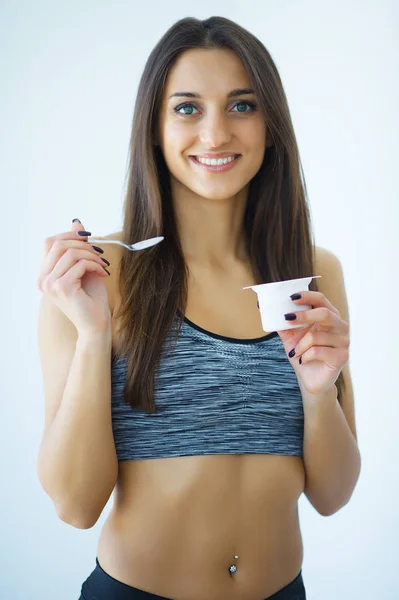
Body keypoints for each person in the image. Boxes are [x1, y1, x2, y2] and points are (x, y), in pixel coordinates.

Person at [36, 15, 361, 600]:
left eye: (242, 106)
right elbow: (74, 505)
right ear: (154, 128)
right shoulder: (98, 279)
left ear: (271, 124)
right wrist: (91, 337)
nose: (215, 135)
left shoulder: (314, 272)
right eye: (187, 108)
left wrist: (319, 393)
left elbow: (333, 495)